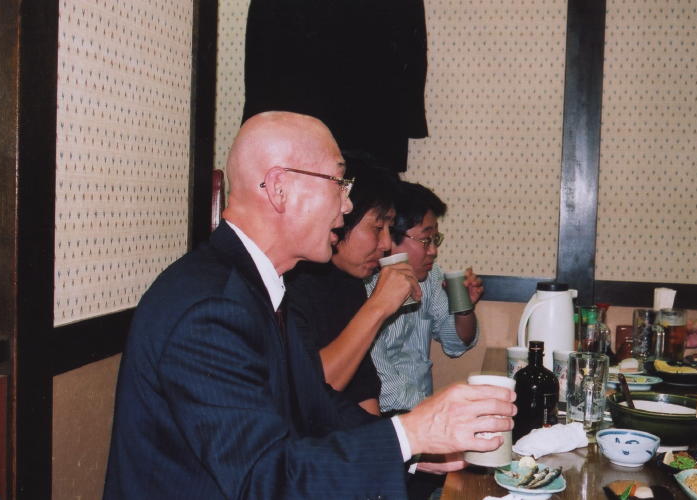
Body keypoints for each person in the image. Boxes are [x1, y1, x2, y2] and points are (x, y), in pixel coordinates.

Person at [104, 111, 515, 499]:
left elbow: (317, 405)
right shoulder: (210, 309)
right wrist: (409, 435)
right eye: (339, 183)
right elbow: (262, 480)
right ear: (279, 188)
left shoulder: (258, 285)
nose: (347, 205)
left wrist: (413, 448)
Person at [287, 158, 418, 416]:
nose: (386, 244)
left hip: (347, 432)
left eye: (389, 229)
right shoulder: (292, 281)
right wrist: (378, 307)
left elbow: (363, 394)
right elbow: (311, 390)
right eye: (378, 227)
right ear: (342, 215)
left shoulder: (349, 281)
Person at [367, 182, 484, 415]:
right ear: (390, 236)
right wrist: (444, 411)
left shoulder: (430, 276)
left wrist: (464, 308)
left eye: (435, 239)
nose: (433, 251)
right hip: (382, 415)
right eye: (425, 240)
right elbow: (385, 388)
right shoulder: (363, 285)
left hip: (421, 408)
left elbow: (456, 343)